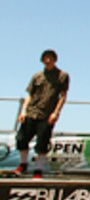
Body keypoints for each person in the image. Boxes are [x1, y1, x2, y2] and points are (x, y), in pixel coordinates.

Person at [15, 49, 70, 179]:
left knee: (42, 143)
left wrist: (56, 113)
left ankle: (38, 169)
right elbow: (30, 94)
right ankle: (23, 164)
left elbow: (63, 96)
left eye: (51, 58)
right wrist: (24, 111)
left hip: (47, 114)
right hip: (32, 112)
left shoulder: (62, 76)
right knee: (22, 139)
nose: (48, 60)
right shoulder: (37, 76)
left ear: (55, 59)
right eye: (46, 58)